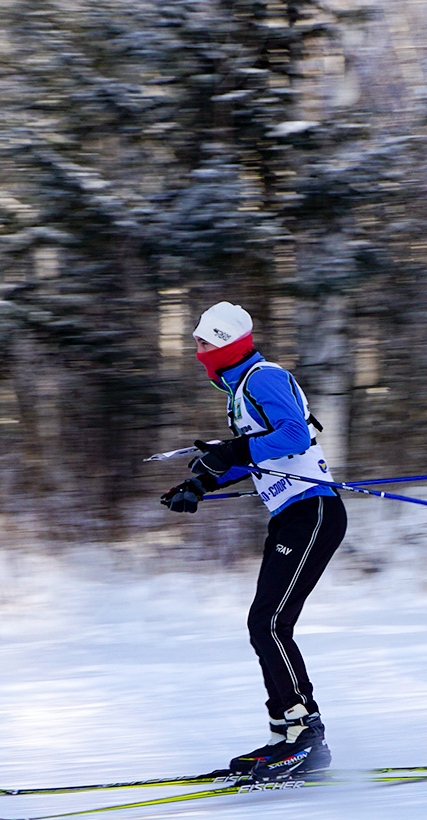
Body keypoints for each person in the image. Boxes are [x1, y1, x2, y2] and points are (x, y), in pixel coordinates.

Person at [159, 300, 347, 780]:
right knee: (264, 623)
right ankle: (286, 733)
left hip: (313, 511)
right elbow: (251, 456)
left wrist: (231, 450)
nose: (197, 351)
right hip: (289, 517)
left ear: (224, 343)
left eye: (203, 342)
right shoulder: (240, 390)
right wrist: (200, 483)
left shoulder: (264, 376)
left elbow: (291, 437)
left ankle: (306, 735)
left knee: (269, 622)